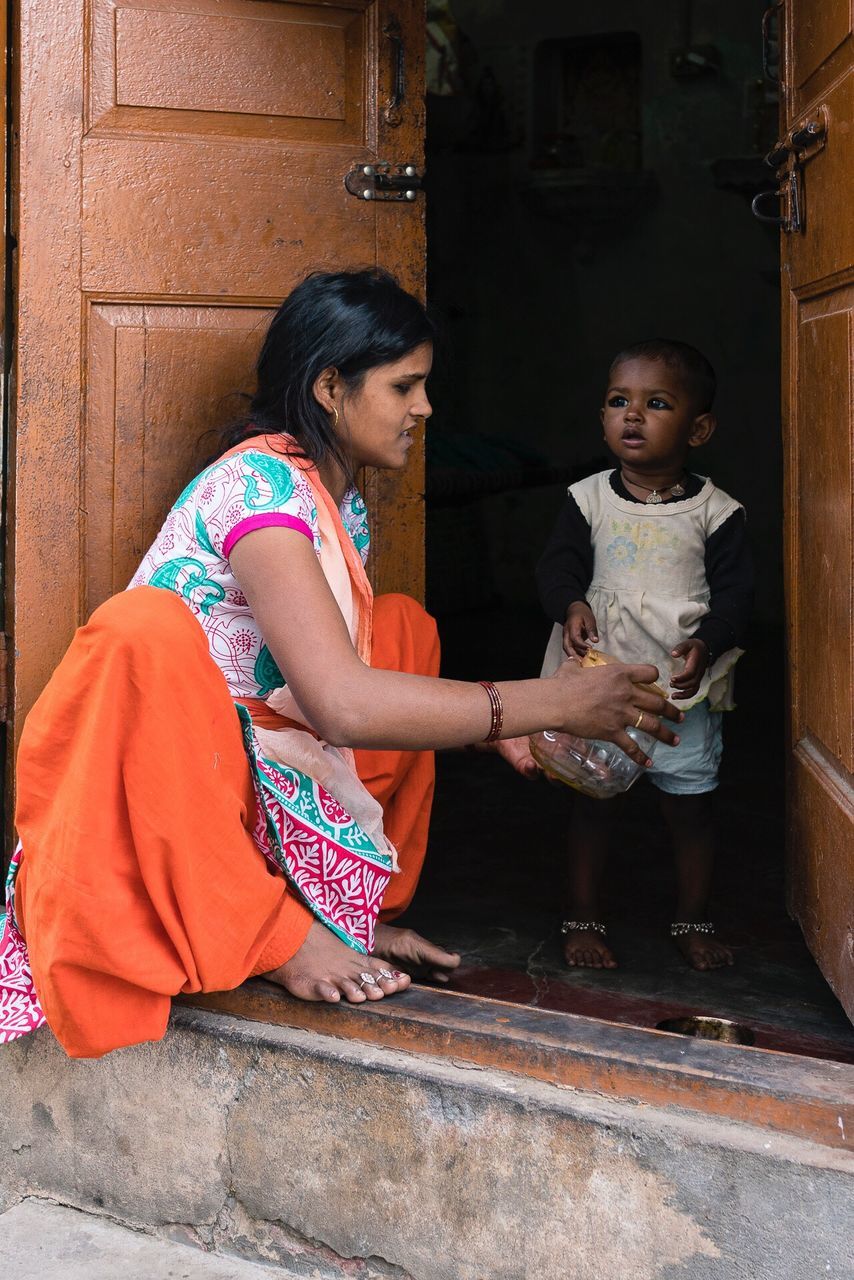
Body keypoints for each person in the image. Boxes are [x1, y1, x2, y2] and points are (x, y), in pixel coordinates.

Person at [0, 272, 681, 1058]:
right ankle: (273, 935)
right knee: (139, 633)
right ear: (330, 386)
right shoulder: (260, 490)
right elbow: (339, 706)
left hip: (259, 761)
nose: (424, 408)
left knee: (400, 630)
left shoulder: (336, 497)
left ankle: (344, 912)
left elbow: (327, 685)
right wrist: (550, 703)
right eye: (405, 386)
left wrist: (490, 731)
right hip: (185, 785)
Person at [536, 340, 753, 972]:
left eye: (656, 403)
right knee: (592, 806)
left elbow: (739, 596)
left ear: (699, 427)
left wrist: (708, 640)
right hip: (597, 688)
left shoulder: (718, 513)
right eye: (618, 401)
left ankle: (691, 919)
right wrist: (570, 606)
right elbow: (558, 568)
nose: (632, 415)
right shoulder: (587, 500)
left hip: (681, 693)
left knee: (689, 810)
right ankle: (581, 918)